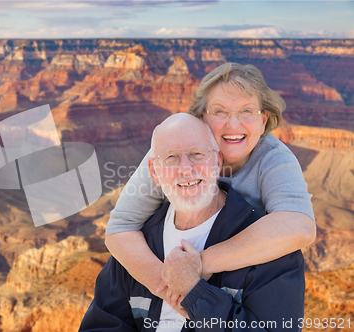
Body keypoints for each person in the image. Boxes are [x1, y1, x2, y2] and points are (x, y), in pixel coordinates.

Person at [104, 63, 315, 309]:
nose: (233, 125)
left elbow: (300, 227)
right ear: (201, 117)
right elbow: (119, 229)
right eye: (219, 111)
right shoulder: (170, 154)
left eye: (247, 111)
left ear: (263, 119)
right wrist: (170, 291)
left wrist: (200, 265)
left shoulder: (273, 158)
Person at [79, 114, 305, 332]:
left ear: (217, 162)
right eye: (171, 157)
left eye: (197, 154)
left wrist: (196, 294)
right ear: (154, 173)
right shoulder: (138, 246)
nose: (186, 168)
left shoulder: (270, 249)